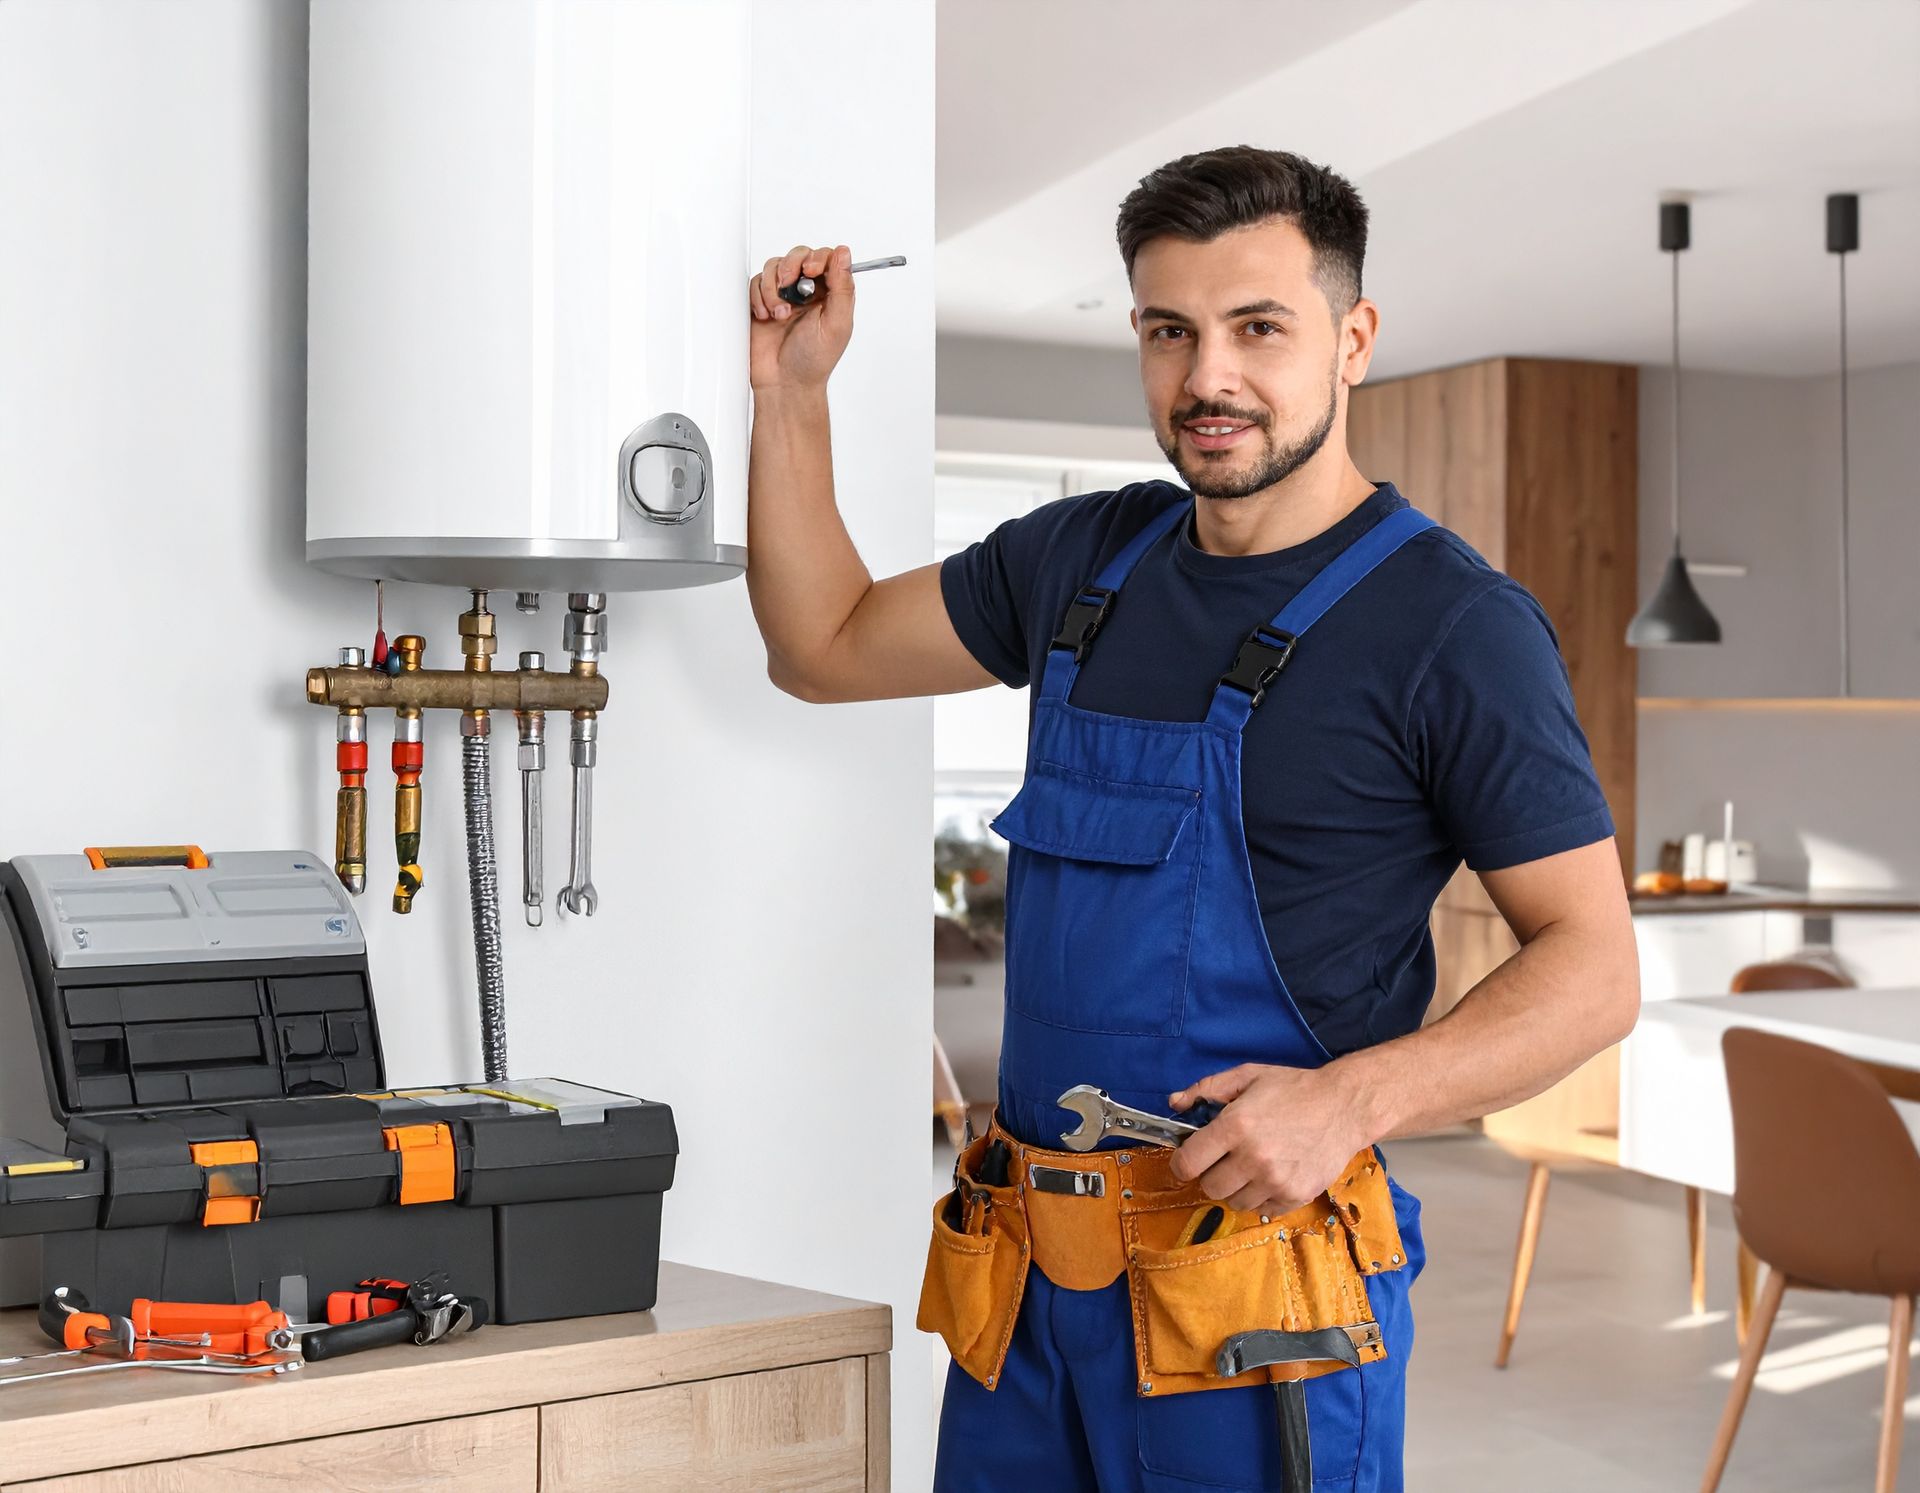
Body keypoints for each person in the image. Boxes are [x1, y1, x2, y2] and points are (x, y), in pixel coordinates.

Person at [743, 145, 1639, 1493]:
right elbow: (822, 644)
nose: (1207, 375)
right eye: (1171, 331)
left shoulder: (1452, 626)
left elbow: (1596, 963)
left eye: (1257, 328)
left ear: (1352, 339)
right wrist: (793, 395)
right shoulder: (1078, 559)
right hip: (1027, 1299)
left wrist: (1354, 1097)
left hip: (1252, 1305)